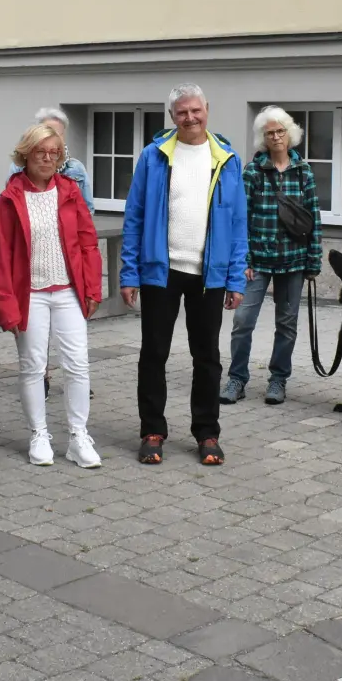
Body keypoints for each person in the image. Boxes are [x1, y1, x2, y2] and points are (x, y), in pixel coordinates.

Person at [120, 83, 246, 467]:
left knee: (206, 356)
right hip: (161, 271)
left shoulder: (226, 158)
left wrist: (236, 277)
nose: (190, 118)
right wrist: (129, 272)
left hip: (210, 275)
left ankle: (207, 432)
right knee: (153, 354)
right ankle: (152, 430)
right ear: (172, 117)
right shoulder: (153, 156)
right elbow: (135, 216)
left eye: (196, 110)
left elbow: (239, 222)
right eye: (181, 112)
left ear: (207, 109)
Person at [0, 123, 103, 468]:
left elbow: (88, 242)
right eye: (41, 152)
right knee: (33, 367)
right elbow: (1, 256)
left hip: (69, 291)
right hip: (31, 295)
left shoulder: (69, 190)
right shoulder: (11, 198)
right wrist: (6, 306)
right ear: (25, 154)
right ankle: (39, 434)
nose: (48, 159)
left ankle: (78, 437)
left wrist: (93, 288)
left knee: (78, 364)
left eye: (55, 153)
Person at [219, 106, 322, 407]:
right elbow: (241, 218)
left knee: (287, 325)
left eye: (280, 131)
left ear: (290, 134)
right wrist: (244, 261)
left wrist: (313, 262)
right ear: (263, 139)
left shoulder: (303, 171)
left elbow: (313, 217)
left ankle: (278, 379)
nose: (276, 137)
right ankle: (237, 377)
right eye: (269, 133)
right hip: (257, 262)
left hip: (294, 259)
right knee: (242, 321)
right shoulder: (253, 172)